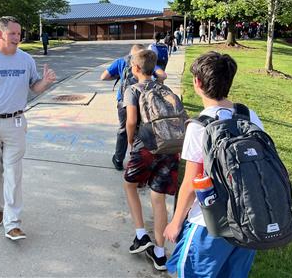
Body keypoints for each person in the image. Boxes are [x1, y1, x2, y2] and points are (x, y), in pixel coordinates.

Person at [164, 51, 263, 277]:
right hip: (247, 221)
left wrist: (176, 221)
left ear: (197, 83)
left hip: (208, 225)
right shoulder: (249, 116)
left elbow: (191, 182)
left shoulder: (200, 126)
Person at [0, 16, 56, 241]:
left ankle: (13, 223)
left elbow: (34, 87)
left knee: (14, 173)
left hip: (16, 122)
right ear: (0, 34)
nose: (18, 37)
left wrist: (44, 83)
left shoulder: (25, 60)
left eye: (19, 33)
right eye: (13, 33)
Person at [123, 49, 180, 271]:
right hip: (169, 147)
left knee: (130, 185)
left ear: (135, 69)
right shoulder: (164, 88)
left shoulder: (133, 90)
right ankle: (159, 253)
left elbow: (131, 121)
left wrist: (130, 143)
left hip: (145, 146)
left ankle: (140, 235)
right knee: (159, 199)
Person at [100, 44, 167, 171]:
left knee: (123, 130)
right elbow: (163, 75)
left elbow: (103, 77)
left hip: (124, 101)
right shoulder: (146, 62)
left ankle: (119, 159)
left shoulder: (121, 61)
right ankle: (144, 159)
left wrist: (119, 76)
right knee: (145, 129)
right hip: (144, 101)